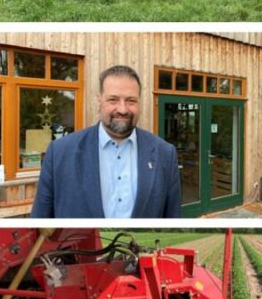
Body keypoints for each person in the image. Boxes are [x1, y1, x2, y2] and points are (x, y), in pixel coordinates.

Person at [32, 66, 182, 218]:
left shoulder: (165, 153)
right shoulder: (59, 152)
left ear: (139, 102)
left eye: (131, 101)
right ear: (99, 101)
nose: (122, 109)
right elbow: (40, 220)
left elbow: (173, 218)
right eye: (113, 100)